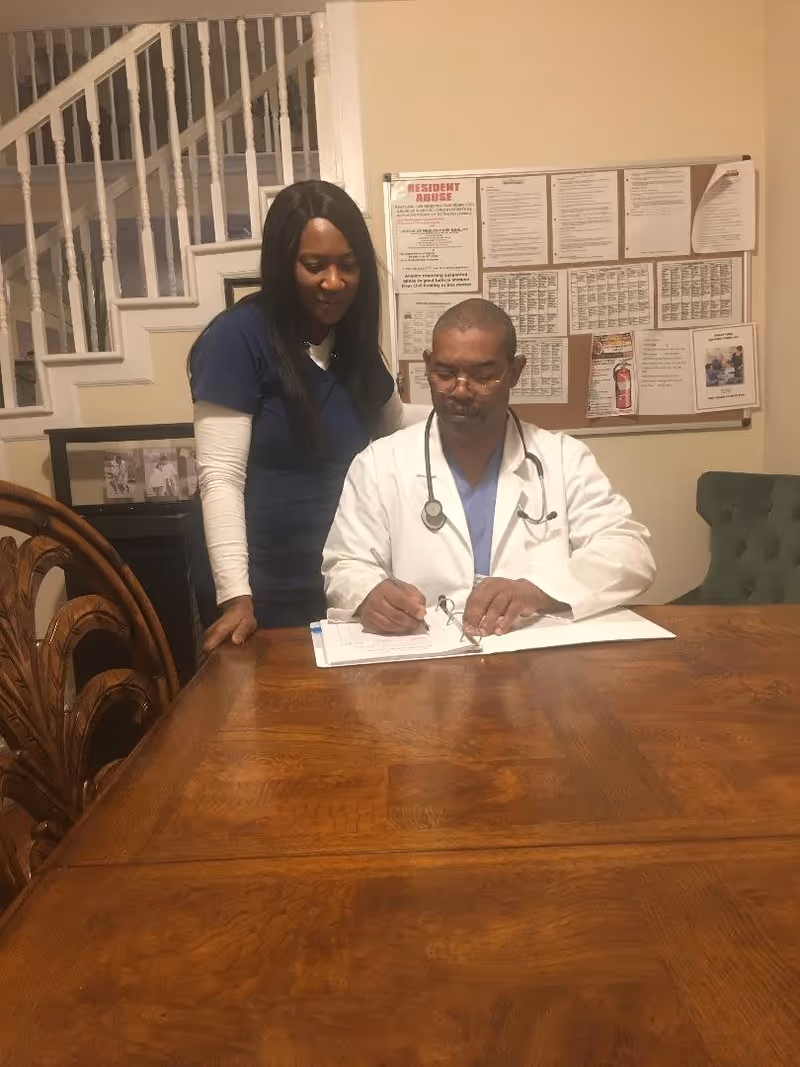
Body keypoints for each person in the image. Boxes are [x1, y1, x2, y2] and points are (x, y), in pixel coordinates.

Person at [323, 298, 655, 637]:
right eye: (444, 374)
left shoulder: (563, 458)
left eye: (482, 377)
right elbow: (345, 565)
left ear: (515, 371)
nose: (460, 391)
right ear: (427, 365)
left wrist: (536, 592)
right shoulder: (379, 464)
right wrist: (368, 596)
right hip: (424, 654)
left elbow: (630, 554)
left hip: (533, 654)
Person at [189, 180, 409, 650]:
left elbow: (397, 437)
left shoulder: (354, 345)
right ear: (283, 265)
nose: (334, 281)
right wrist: (236, 598)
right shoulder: (236, 339)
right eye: (315, 265)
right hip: (261, 590)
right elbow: (220, 477)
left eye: (348, 264)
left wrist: (476, 405)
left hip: (346, 581)